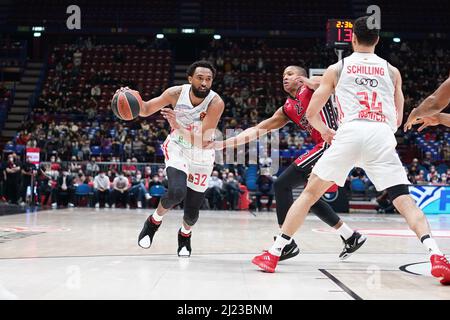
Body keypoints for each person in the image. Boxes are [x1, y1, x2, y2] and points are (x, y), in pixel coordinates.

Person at [252, 16, 450, 285]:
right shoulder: (393, 71)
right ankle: (436, 255)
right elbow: (398, 116)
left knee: (309, 193)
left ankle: (274, 254)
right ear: (378, 40)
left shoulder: (337, 68)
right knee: (405, 201)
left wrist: (324, 130)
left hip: (350, 133)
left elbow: (311, 112)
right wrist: (384, 132)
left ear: (353, 39)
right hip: (381, 134)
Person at [215, 66, 365, 261]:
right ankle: (350, 236)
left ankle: (285, 244)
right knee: (308, 196)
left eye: (290, 74)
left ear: (301, 76)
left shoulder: (313, 87)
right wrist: (225, 143)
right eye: (283, 75)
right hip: (328, 148)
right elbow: (258, 129)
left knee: (282, 184)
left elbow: (335, 82)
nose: (285, 78)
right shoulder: (287, 108)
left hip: (334, 143)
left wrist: (311, 81)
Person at [122, 60, 225, 257]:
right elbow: (144, 109)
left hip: (202, 152)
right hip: (178, 147)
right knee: (177, 192)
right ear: (190, 79)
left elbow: (202, 141)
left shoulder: (216, 102)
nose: (204, 83)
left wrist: (177, 124)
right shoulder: (175, 93)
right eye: (200, 78)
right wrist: (130, 96)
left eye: (208, 79)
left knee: (192, 213)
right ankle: (153, 222)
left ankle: (185, 235)